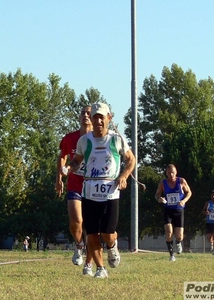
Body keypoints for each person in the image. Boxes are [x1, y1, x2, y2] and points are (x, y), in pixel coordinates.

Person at [66, 102, 136, 278]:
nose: (97, 121)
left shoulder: (116, 139)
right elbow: (77, 161)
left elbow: (131, 160)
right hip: (89, 192)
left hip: (110, 193)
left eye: (101, 117)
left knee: (108, 234)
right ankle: (100, 268)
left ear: (109, 118)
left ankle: (113, 247)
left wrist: (124, 176)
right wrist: (69, 168)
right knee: (92, 234)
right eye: (95, 117)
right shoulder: (85, 141)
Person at [55, 105, 94, 275]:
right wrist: (59, 179)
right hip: (75, 184)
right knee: (75, 221)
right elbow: (62, 156)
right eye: (83, 113)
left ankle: (89, 264)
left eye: (89, 113)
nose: (85, 115)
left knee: (93, 229)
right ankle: (79, 245)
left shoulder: (100, 138)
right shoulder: (70, 138)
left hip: (94, 187)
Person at [155, 164, 192, 261]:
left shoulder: (181, 181)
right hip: (168, 210)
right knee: (169, 232)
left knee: (179, 235)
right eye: (168, 173)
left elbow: (189, 192)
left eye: (172, 172)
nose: (171, 175)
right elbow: (157, 195)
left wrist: (184, 201)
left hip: (179, 210)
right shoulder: (163, 183)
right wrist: (159, 199)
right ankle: (171, 255)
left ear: (176, 172)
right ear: (166, 173)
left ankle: (179, 243)